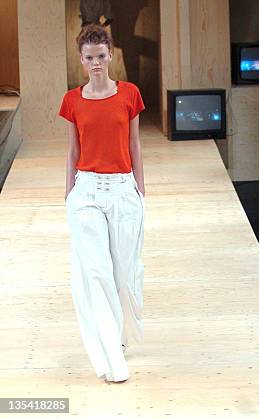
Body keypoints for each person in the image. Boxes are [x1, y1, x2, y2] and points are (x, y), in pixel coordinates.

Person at [59, 24, 145, 383]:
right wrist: (69, 194)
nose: (95, 62)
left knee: (124, 275)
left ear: (111, 55)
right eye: (89, 58)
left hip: (124, 191)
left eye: (101, 56)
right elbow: (73, 150)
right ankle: (109, 355)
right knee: (95, 274)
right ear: (81, 60)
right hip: (88, 192)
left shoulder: (129, 94)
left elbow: (135, 144)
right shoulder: (72, 100)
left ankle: (120, 339)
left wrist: (141, 192)